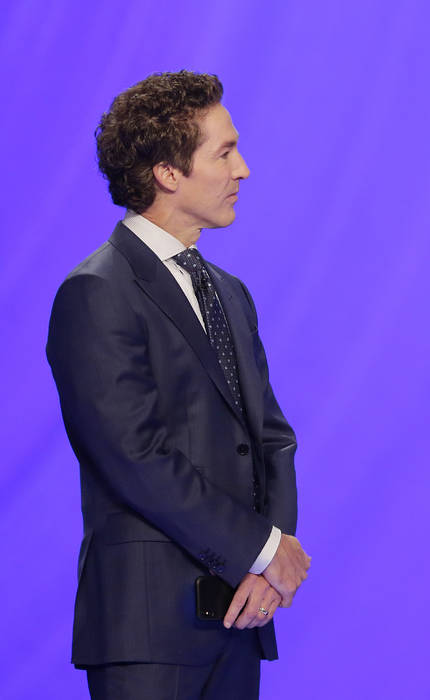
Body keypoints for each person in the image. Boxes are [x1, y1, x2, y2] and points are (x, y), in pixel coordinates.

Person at [47, 71, 311, 699]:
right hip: (149, 631)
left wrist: (270, 568)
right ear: (168, 172)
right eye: (224, 152)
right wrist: (264, 546)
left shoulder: (229, 292)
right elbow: (133, 457)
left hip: (240, 615)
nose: (242, 169)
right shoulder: (97, 292)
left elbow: (270, 438)